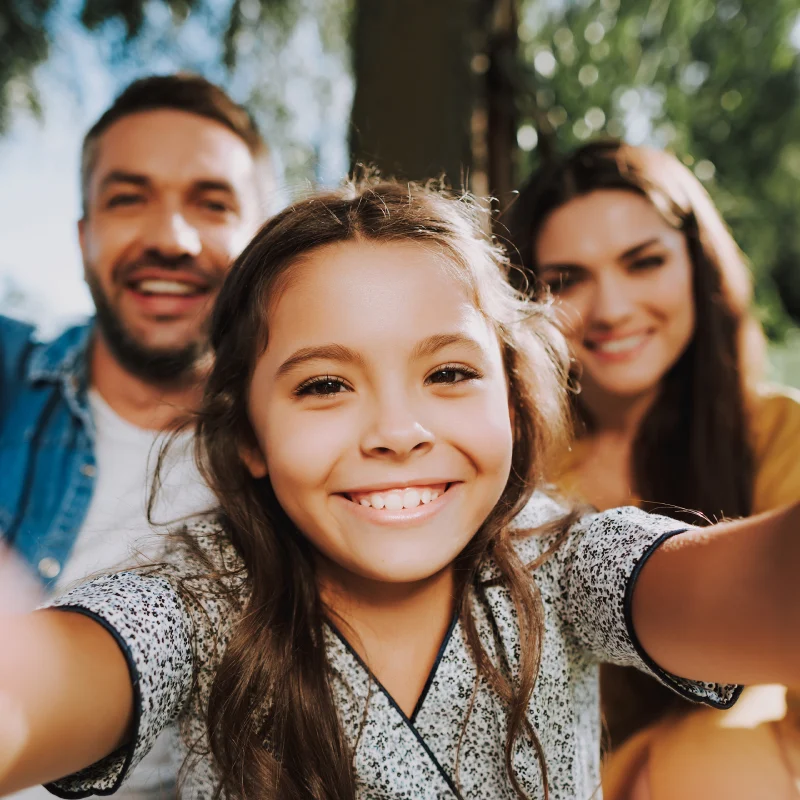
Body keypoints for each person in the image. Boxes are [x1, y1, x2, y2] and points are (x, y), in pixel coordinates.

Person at [1, 178, 799, 800]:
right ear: (248, 435)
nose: (396, 430)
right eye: (323, 385)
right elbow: (44, 691)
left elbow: (753, 589)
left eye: (448, 373)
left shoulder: (568, 560)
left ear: (515, 406)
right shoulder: (200, 599)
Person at [0, 73, 273, 798]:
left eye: (211, 203)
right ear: (85, 236)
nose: (171, 239)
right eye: (129, 198)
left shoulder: (308, 454)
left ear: (262, 240)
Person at [506, 140, 800, 798]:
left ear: (698, 268)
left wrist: (689, 755)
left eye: (644, 263)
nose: (610, 308)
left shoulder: (777, 434)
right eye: (567, 280)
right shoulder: (506, 468)